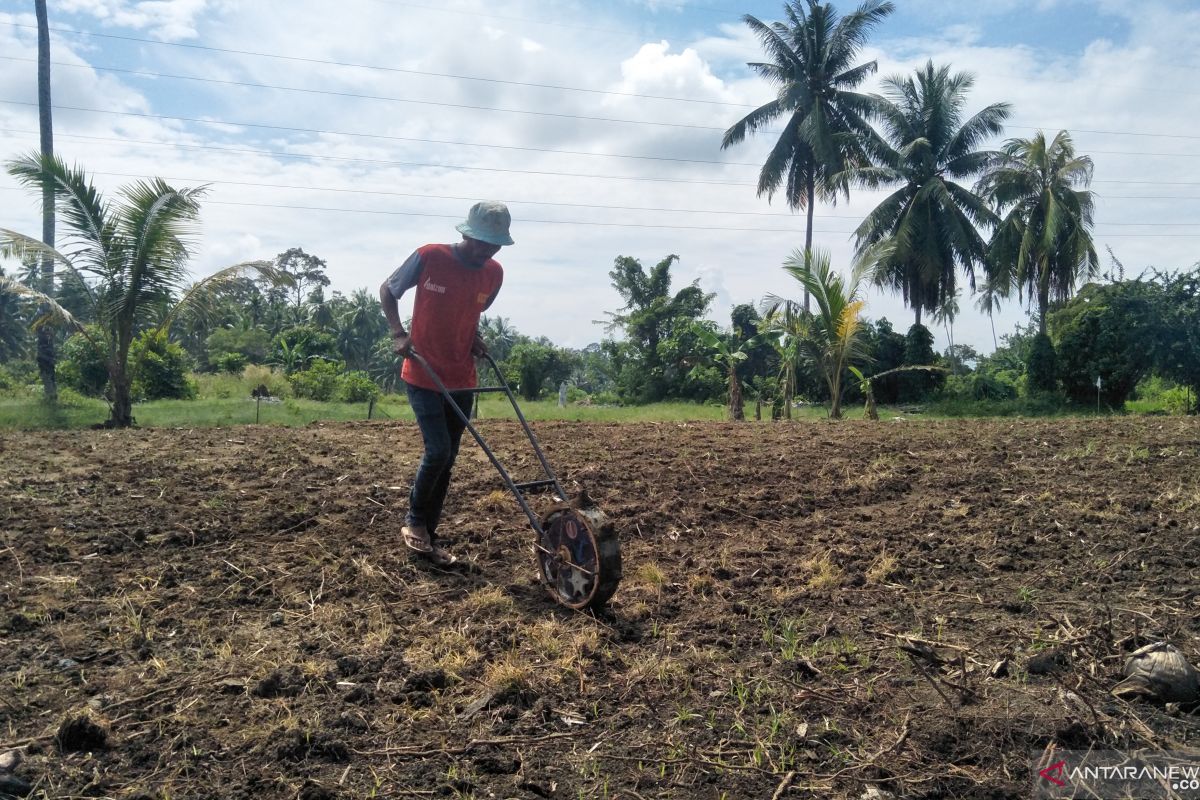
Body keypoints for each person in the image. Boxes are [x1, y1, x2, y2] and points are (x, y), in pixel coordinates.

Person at [379, 201, 512, 565]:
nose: (487, 250)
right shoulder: (429, 257)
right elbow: (387, 290)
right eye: (482, 242)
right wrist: (397, 333)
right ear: (466, 234)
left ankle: (428, 536)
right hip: (423, 371)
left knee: (449, 457)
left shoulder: (494, 273)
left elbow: (472, 310)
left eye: (494, 245)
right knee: (437, 451)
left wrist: (472, 337)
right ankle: (415, 522)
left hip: (461, 376)